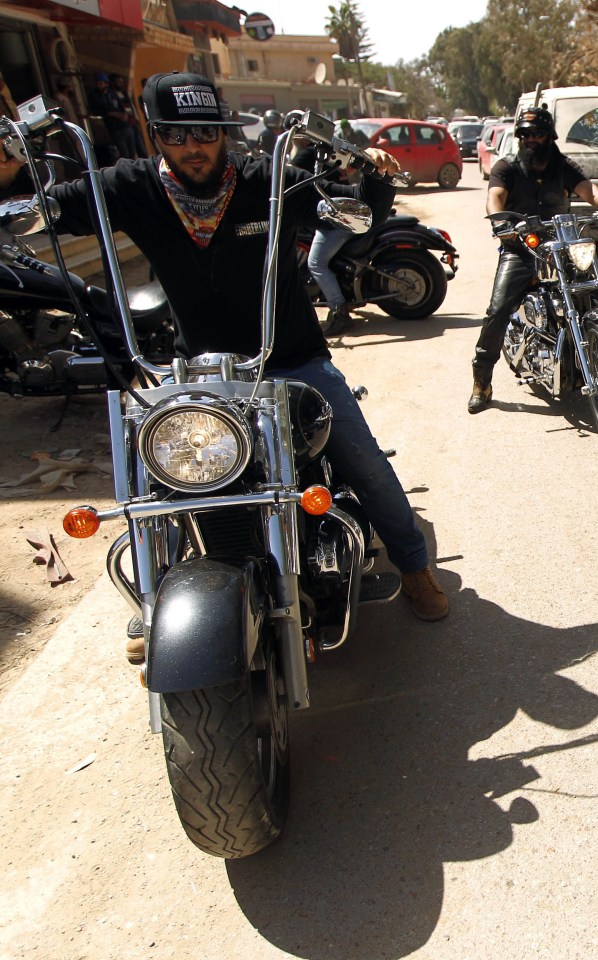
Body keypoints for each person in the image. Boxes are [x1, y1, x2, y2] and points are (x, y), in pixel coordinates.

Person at [0, 72, 450, 655]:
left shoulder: (268, 180)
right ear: (155, 135)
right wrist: (12, 169)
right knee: (155, 478)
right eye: (175, 134)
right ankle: (156, 602)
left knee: (361, 459)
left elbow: (353, 215)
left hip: (288, 358)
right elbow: (45, 210)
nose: (193, 147)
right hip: (199, 372)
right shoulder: (129, 186)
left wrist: (375, 179)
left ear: (223, 132)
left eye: (205, 133)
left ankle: (414, 566)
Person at [467, 105, 598, 413]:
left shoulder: (564, 166)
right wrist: (501, 221)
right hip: (521, 247)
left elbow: (588, 189)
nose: (531, 139)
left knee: (591, 297)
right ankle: (481, 382)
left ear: (550, 136)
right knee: (498, 310)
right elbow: (495, 197)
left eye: (538, 134)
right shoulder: (506, 167)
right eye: (526, 134)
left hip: (561, 246)